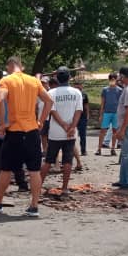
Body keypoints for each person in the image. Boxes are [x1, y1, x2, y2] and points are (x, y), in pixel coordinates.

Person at [0, 57, 53, 217]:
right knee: (34, 170)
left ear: (9, 66)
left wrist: (2, 123)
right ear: (21, 66)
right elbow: (49, 101)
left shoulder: (6, 81)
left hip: (15, 131)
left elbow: (0, 99)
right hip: (31, 131)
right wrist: (41, 121)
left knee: (6, 169)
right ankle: (34, 206)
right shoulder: (33, 81)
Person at [0, 69, 29, 192]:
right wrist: (6, 125)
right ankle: (22, 183)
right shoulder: (10, 91)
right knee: (16, 156)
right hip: (12, 128)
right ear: (3, 78)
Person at [41, 67, 84, 196]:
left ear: (57, 78)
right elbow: (79, 111)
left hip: (55, 133)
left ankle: (38, 185)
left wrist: (63, 125)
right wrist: (72, 127)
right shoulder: (77, 92)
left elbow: (52, 111)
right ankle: (64, 188)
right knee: (67, 161)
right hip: (70, 134)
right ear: (69, 77)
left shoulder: (52, 92)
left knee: (48, 160)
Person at [96, 73, 123, 156]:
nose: (112, 81)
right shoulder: (105, 90)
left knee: (115, 131)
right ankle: (99, 148)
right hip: (107, 112)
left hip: (116, 113)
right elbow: (102, 103)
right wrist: (101, 114)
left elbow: (121, 103)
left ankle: (113, 148)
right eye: (111, 79)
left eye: (114, 79)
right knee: (102, 131)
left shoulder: (119, 90)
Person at [73, 78, 90, 156]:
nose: (78, 86)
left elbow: (86, 105)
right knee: (72, 134)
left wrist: (87, 115)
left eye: (79, 84)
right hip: (73, 116)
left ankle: (83, 150)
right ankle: (72, 150)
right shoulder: (72, 94)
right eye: (76, 85)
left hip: (82, 117)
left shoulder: (84, 95)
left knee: (83, 135)